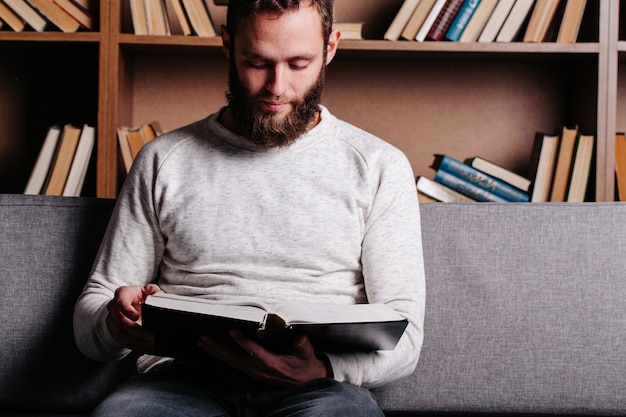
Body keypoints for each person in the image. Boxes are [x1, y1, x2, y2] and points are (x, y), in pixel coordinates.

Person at [73, 0, 425, 415]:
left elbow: (406, 334)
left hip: (319, 389)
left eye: (298, 63)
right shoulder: (163, 160)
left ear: (330, 47)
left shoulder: (378, 165)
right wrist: (114, 323)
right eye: (257, 62)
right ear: (227, 44)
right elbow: (92, 314)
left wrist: (322, 367)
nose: (276, 87)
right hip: (179, 381)